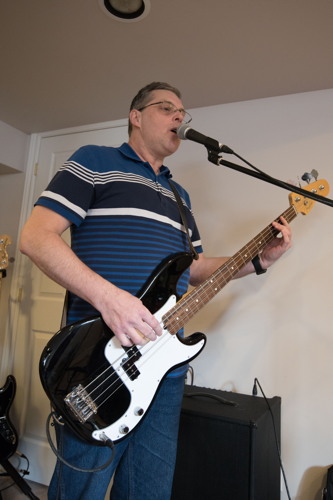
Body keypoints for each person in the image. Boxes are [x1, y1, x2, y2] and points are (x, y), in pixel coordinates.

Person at [20, 81, 292, 500]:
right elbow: (36, 237)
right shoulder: (94, 160)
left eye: (183, 113)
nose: (179, 118)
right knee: (81, 490)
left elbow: (195, 268)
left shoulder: (180, 197)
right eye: (168, 109)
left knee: (149, 491)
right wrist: (112, 300)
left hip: (164, 367)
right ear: (136, 116)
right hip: (98, 362)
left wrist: (259, 260)